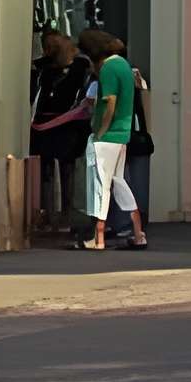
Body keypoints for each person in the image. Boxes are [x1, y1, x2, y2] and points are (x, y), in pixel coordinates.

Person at [77, 28, 146, 251]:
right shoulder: (124, 66)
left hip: (106, 137)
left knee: (100, 185)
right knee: (119, 182)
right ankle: (138, 232)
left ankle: (98, 238)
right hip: (122, 134)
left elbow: (109, 102)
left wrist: (100, 131)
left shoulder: (107, 69)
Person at [28, 31, 92, 235]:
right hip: (45, 122)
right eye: (47, 45)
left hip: (68, 123)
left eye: (54, 45)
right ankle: (48, 212)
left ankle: (65, 212)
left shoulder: (81, 66)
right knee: (46, 169)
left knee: (67, 169)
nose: (50, 50)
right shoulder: (43, 68)